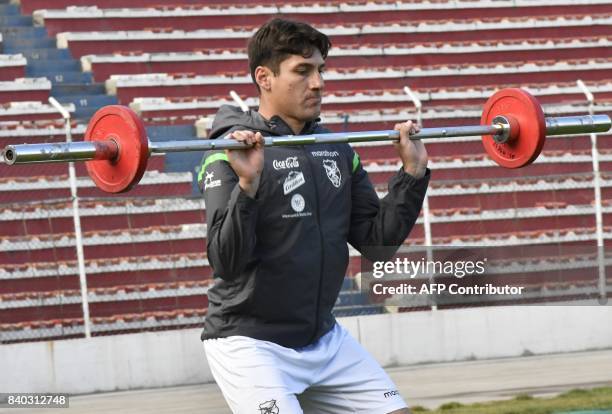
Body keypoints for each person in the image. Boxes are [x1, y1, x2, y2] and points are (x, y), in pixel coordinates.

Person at [198, 17, 429, 414]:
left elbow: (377, 244)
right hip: (250, 342)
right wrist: (248, 187)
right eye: (302, 71)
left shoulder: (338, 149)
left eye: (320, 70)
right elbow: (225, 261)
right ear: (264, 78)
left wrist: (412, 174)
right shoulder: (228, 154)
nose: (318, 83)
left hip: (323, 338)